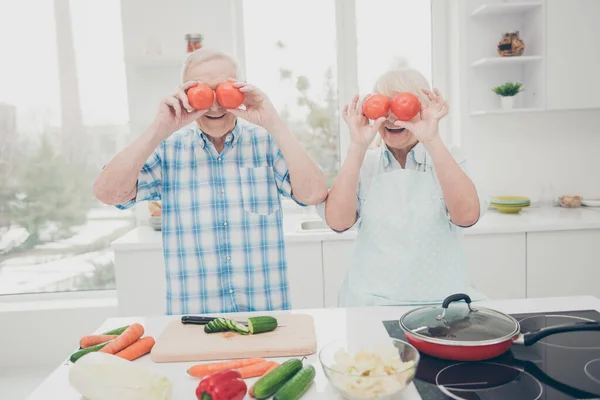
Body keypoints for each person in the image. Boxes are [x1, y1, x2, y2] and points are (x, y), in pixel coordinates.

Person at [94, 48, 327, 315]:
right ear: (184, 94)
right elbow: (108, 193)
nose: (215, 105)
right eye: (203, 92)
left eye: (224, 90)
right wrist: (159, 128)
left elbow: (314, 194)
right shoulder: (168, 149)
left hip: (266, 317)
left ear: (240, 89)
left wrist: (273, 121)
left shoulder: (266, 142)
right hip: (195, 321)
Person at [317, 67, 489, 307]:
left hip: (443, 304)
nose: (391, 118)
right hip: (371, 304)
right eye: (382, 106)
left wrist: (431, 138)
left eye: (401, 106)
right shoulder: (364, 164)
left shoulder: (448, 158)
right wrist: (357, 145)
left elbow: (467, 216)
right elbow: (337, 222)